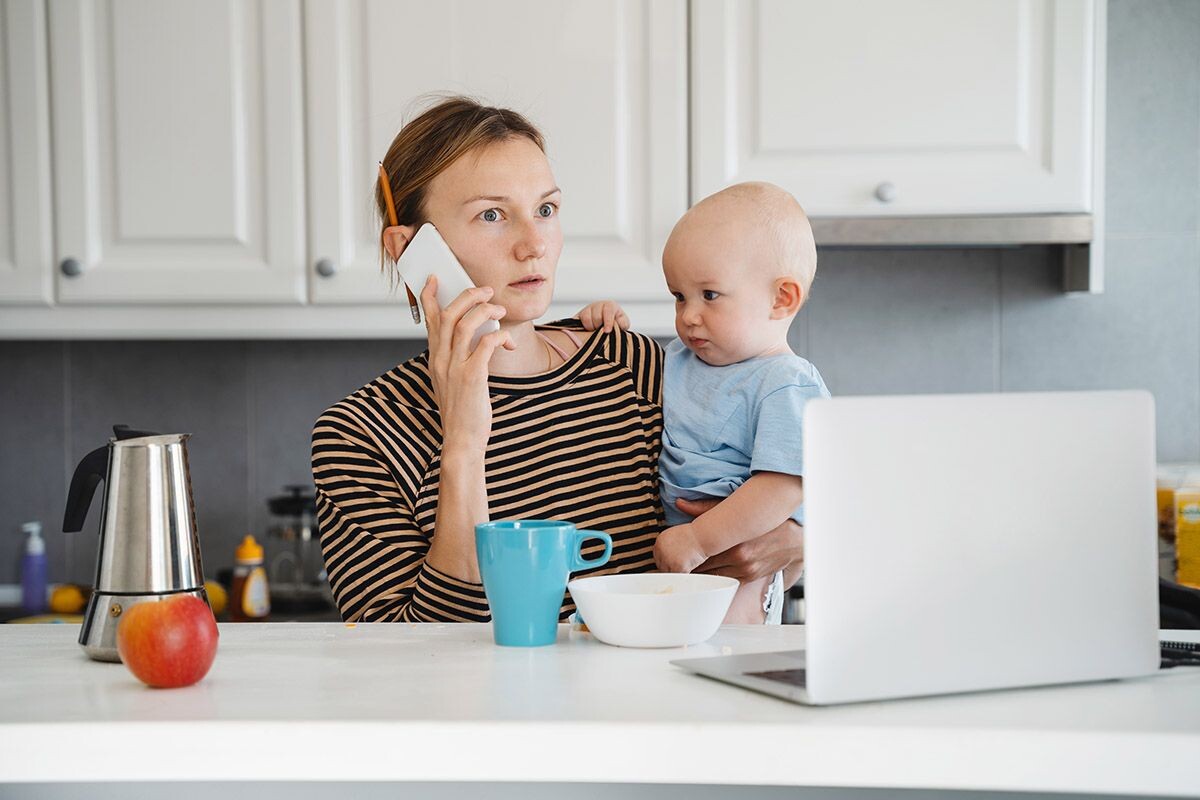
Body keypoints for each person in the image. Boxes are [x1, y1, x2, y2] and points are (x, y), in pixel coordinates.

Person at [311, 96, 803, 622]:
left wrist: (797, 543)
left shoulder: (632, 367)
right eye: (492, 215)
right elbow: (409, 658)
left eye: (546, 210)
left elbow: (769, 483)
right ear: (408, 249)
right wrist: (463, 447)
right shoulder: (358, 436)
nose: (534, 245)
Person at [651, 182, 830, 624]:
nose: (688, 314)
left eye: (709, 295)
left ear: (780, 298)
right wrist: (602, 319)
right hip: (681, 552)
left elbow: (784, 486)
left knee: (726, 648)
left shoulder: (786, 383)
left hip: (734, 559)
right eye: (679, 296)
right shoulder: (679, 357)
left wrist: (699, 539)